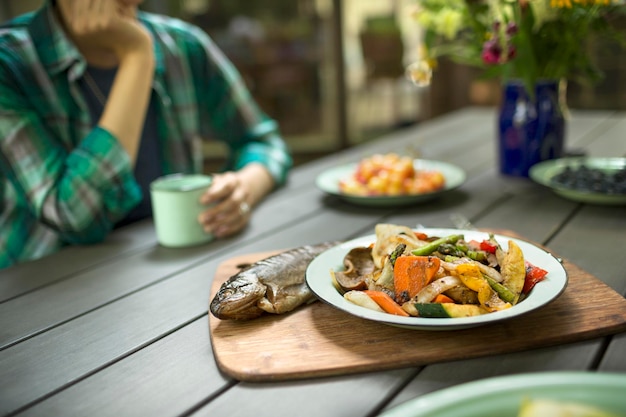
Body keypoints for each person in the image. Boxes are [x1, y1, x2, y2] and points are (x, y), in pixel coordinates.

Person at [0, 0, 293, 269]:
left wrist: (245, 187)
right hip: (44, 289)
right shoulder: (9, 62)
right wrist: (136, 54)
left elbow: (264, 141)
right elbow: (74, 218)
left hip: (174, 268)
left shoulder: (184, 44)